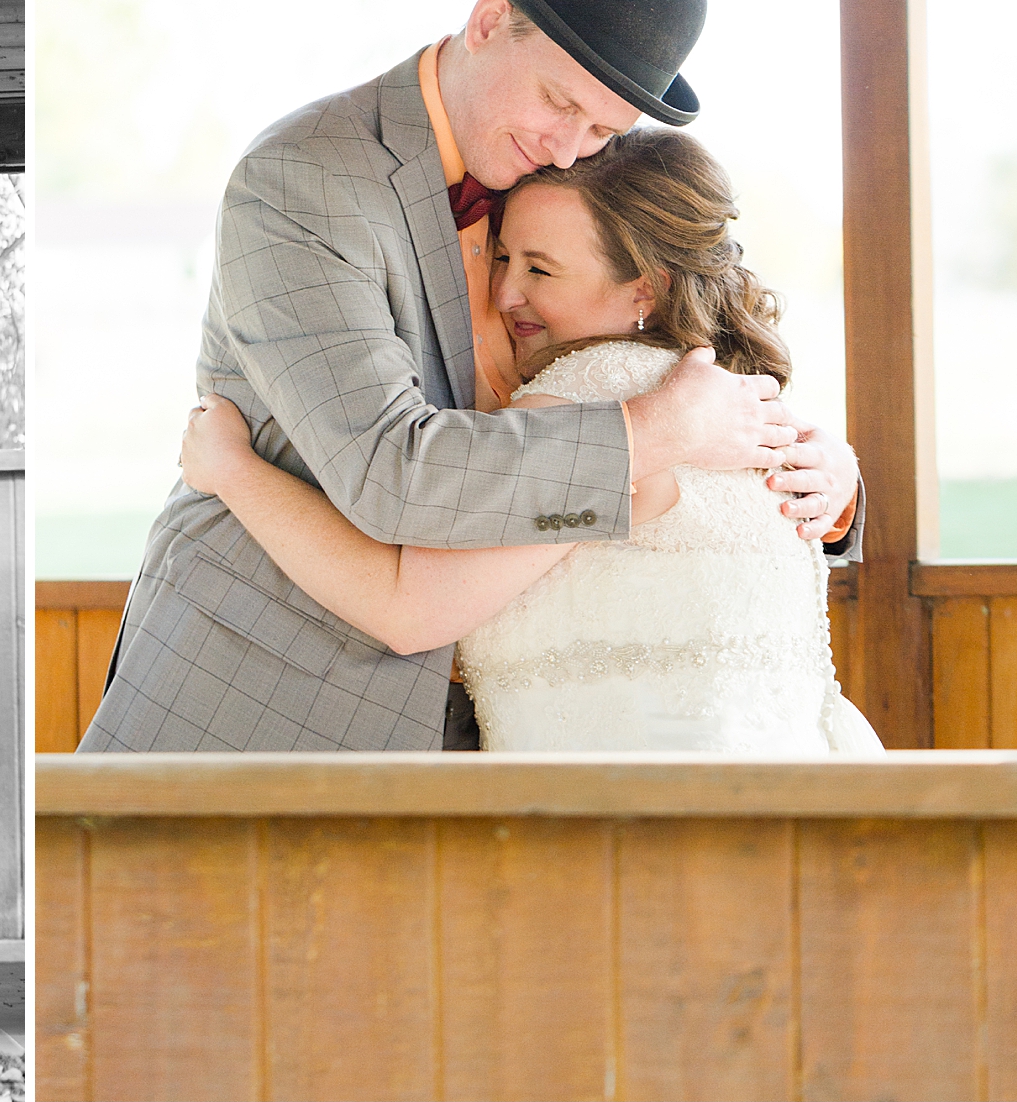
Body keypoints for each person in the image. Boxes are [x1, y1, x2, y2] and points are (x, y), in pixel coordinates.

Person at [76, 0, 862, 754]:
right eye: (560, 103)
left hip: (505, 737)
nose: (569, 149)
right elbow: (391, 472)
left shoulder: (566, 186)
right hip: (263, 712)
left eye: (603, 128)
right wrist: (656, 433)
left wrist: (825, 483)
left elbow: (666, 349)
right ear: (490, 20)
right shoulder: (302, 182)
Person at [179, 128, 882, 752]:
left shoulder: (585, 404)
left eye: (540, 270)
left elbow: (407, 608)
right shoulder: (748, 402)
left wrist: (233, 470)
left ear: (646, 289)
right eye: (503, 257)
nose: (506, 293)